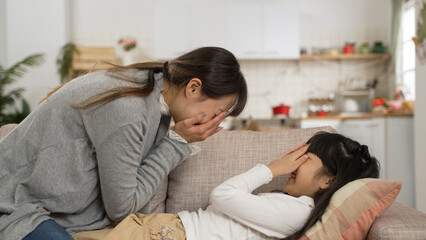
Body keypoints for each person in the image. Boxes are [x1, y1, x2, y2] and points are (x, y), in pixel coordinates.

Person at [0, 46, 248, 240]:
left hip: (37, 204)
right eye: (218, 112)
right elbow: (122, 209)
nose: (215, 122)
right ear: (194, 88)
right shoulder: (128, 108)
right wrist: (179, 141)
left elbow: (131, 192)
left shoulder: (151, 89)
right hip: (13, 202)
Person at [72, 131, 380, 240]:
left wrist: (271, 169)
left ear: (329, 180)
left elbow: (222, 196)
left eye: (306, 159)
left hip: (173, 235)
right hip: (168, 229)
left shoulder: (297, 212)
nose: (294, 164)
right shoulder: (290, 206)